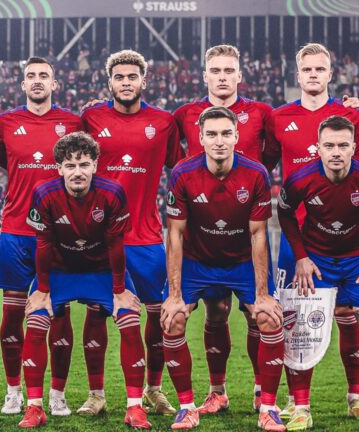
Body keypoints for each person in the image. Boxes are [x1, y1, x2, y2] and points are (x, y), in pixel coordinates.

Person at [263, 43, 359, 425]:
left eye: (320, 69)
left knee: (351, 314)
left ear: (330, 74)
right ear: (297, 75)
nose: (313, 74)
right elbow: (260, 162)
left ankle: (356, 396)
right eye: (307, 69)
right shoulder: (278, 117)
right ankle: (295, 401)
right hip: (296, 235)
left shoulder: (349, 116)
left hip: (346, 234)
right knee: (294, 319)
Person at [276, 115, 359, 432]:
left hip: (358, 259)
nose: (336, 152)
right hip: (316, 260)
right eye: (329, 145)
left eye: (343, 145)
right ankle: (301, 409)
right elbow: (285, 212)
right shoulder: (300, 179)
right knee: (301, 330)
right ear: (318, 148)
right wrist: (301, 256)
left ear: (353, 148)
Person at [161, 106, 285, 431]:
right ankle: (187, 407)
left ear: (237, 137)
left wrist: (262, 294)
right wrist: (174, 294)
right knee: (172, 318)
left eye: (226, 133)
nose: (219, 141)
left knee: (269, 317)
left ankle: (268, 407)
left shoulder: (256, 173)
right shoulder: (183, 173)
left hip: (241, 261)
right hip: (197, 261)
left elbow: (259, 234)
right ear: (200, 138)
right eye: (212, 134)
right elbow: (174, 234)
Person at [18, 131, 150, 429]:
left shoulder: (112, 192)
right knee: (36, 321)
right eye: (70, 165)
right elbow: (43, 243)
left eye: (84, 165)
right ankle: (35, 407)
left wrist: (119, 290)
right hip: (59, 270)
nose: (77, 172)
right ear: (59, 168)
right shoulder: (44, 193)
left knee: (130, 320)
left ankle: (135, 407)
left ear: (95, 166)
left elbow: (116, 243)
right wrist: (42, 289)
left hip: (102, 271)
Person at [79, 49, 185, 416]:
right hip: (100, 235)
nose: (126, 83)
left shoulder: (163, 122)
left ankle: (153, 389)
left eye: (132, 77)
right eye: (119, 77)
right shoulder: (91, 118)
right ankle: (96, 394)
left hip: (146, 236)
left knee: (156, 315)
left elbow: (180, 168)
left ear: (144, 81)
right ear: (109, 82)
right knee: (97, 312)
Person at [0, 56, 84, 416]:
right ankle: (13, 391)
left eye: (44, 76)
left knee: (60, 315)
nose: (37, 81)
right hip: (16, 233)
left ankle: (58, 393)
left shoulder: (73, 123)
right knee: (12, 317)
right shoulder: (5, 123)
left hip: (61, 234)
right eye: (31, 76)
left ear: (55, 84)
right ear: (22, 84)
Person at [172, 44, 273, 413]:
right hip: (202, 233)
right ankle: (218, 392)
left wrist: (349, 111)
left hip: (248, 226)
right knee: (215, 311)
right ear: (205, 76)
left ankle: (262, 391)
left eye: (229, 70)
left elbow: (279, 152)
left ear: (239, 75)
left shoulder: (262, 113)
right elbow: (170, 156)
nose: (222, 77)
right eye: (215, 70)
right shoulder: (184, 114)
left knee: (257, 313)